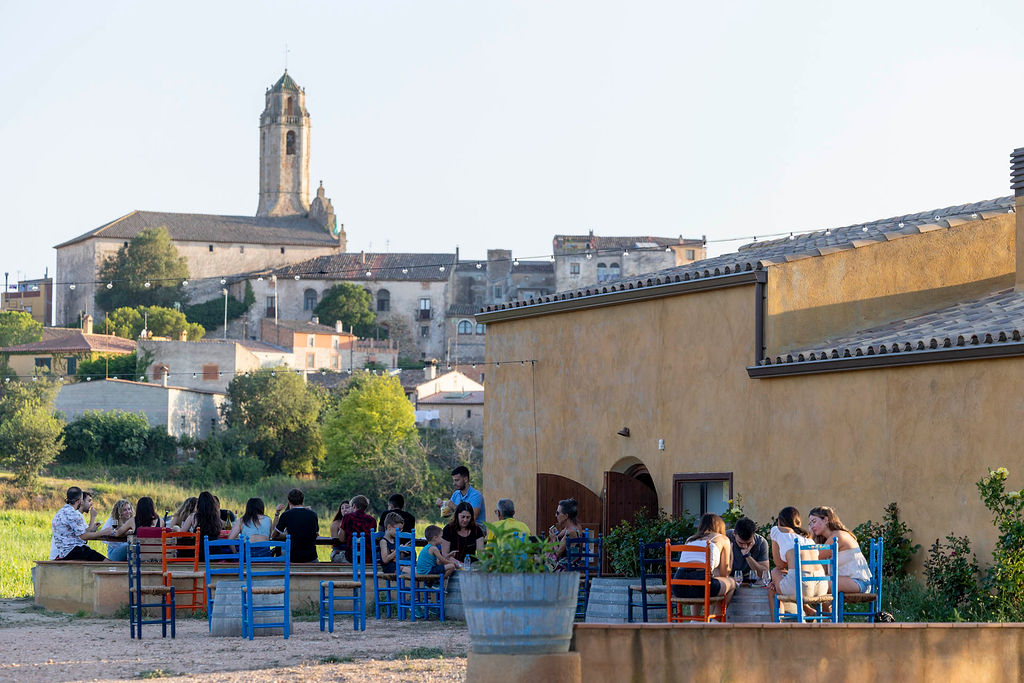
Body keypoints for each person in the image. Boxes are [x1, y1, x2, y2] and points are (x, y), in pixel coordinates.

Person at [671, 513, 736, 608]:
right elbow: (724, 573)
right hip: (703, 586)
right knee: (731, 582)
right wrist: (731, 553)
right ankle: (715, 621)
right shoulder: (722, 538)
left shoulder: (690, 539)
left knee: (696, 583)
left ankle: (694, 620)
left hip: (679, 586)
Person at [769, 506, 826, 612]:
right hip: (821, 586)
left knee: (775, 572)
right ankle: (808, 610)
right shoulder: (808, 539)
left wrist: (776, 581)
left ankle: (776, 627)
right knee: (789, 579)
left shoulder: (777, 530)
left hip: (802, 587)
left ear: (780, 521)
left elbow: (779, 565)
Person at [808, 506, 873, 594]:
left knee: (814, 584)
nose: (812, 526)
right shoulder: (827, 541)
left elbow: (812, 557)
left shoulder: (838, 536)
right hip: (845, 580)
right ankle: (826, 608)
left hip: (859, 582)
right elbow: (822, 569)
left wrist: (810, 537)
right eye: (810, 523)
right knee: (811, 582)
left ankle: (823, 608)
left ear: (826, 520)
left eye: (814, 521)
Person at [50, 487, 110, 561]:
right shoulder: (73, 513)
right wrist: (103, 532)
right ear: (78, 501)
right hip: (73, 551)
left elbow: (82, 533)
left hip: (63, 552)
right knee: (106, 562)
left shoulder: (60, 512)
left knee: (92, 554)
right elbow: (83, 536)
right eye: (81, 500)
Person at [273, 488, 319, 563]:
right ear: (303, 500)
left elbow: (274, 535)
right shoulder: (313, 514)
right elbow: (316, 533)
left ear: (289, 502)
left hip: (293, 558)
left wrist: (288, 535)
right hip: (311, 557)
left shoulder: (286, 514)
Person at [335, 495, 376, 562]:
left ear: (354, 506)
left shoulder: (347, 517)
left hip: (351, 557)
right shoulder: (372, 520)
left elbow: (341, 539)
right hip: (368, 557)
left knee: (334, 556)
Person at [546, 498, 584, 569]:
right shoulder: (573, 526)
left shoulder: (570, 532)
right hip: (568, 562)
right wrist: (555, 535)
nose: (555, 515)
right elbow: (559, 536)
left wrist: (554, 539)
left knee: (541, 563)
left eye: (558, 513)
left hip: (567, 565)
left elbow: (558, 553)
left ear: (566, 516)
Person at [191, 491, 223, 559]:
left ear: (199, 504)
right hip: (215, 553)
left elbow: (182, 532)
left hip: (200, 553)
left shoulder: (194, 517)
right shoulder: (216, 518)